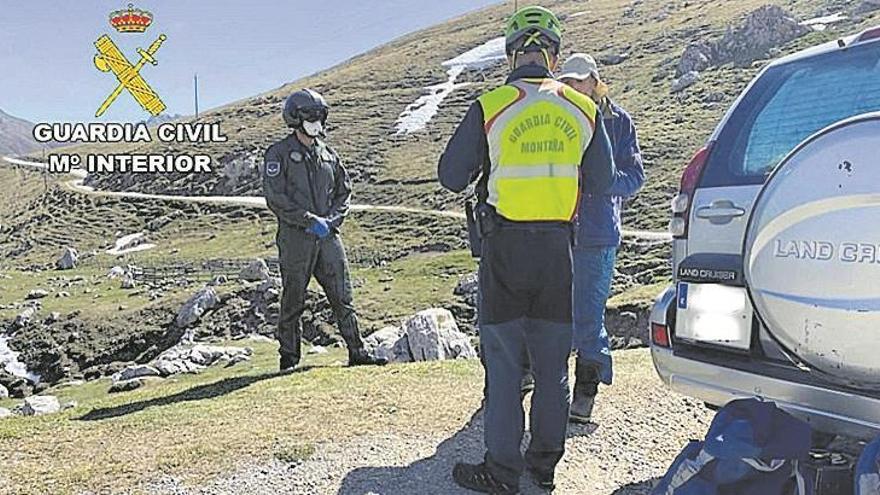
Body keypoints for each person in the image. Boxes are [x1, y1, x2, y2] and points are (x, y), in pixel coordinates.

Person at [438, 7, 616, 493]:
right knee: (553, 367)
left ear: (511, 54)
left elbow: (450, 176)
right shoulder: (584, 110)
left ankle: (501, 472)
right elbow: (603, 180)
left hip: (504, 250)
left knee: (503, 363)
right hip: (559, 251)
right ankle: (543, 468)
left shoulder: (492, 104)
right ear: (554, 56)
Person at [263, 88, 387, 372]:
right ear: (295, 118)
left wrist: (332, 220)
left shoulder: (329, 154)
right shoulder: (278, 154)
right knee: (294, 297)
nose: (317, 121)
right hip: (296, 239)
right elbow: (276, 198)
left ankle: (357, 352)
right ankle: (289, 359)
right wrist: (308, 219)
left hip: (328, 238)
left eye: (320, 116)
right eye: (311, 116)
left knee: (342, 296)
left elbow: (345, 192)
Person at [558, 54, 646, 423]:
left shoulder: (618, 121)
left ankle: (585, 393)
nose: (575, 86)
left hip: (597, 235)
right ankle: (546, 386)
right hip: (557, 230)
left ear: (595, 82)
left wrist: (603, 183)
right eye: (569, 81)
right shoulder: (557, 117)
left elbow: (635, 178)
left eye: (581, 80)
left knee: (589, 318)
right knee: (550, 314)